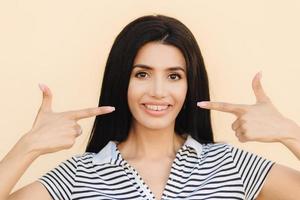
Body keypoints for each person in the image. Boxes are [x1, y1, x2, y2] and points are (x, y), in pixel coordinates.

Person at [0, 15, 300, 200]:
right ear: (122, 81)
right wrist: (28, 146)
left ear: (189, 85)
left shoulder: (232, 166)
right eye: (142, 74)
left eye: (174, 76)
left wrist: (290, 133)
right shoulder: (78, 175)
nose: (158, 92)